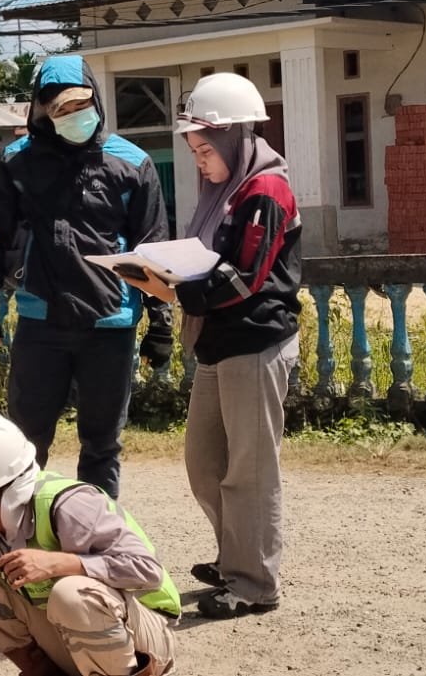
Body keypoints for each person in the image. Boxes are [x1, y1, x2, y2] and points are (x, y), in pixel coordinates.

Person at [121, 72, 302, 620]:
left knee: (249, 469)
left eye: (204, 149)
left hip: (256, 341)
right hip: (218, 344)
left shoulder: (266, 190)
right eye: (194, 150)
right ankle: (234, 560)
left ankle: (254, 583)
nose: (198, 161)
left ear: (233, 140)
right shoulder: (225, 193)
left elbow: (243, 279)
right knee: (205, 463)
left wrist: (169, 287)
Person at [0, 54, 174, 500]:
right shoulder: (16, 163)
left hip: (111, 325)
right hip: (41, 324)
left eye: (81, 104)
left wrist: (160, 321)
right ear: (42, 111)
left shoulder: (132, 163)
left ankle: (96, 544)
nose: (74, 114)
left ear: (96, 99)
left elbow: (152, 246)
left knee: (102, 446)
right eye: (60, 108)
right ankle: (14, 532)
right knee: (23, 444)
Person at [0, 411, 178, 676]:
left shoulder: (69, 507)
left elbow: (148, 571)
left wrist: (61, 563)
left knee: (72, 593)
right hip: (74, 637)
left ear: (7, 493)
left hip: (146, 639)